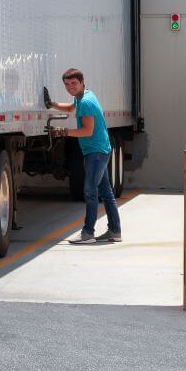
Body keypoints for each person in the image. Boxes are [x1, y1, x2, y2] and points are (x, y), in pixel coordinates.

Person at [46, 68, 121, 244]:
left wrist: (63, 131)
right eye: (67, 84)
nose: (70, 87)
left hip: (95, 152)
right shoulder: (82, 96)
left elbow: (87, 131)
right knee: (106, 193)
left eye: (73, 83)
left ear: (81, 82)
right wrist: (52, 104)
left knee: (90, 192)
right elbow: (71, 108)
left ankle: (88, 233)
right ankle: (115, 231)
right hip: (99, 149)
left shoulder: (86, 102)